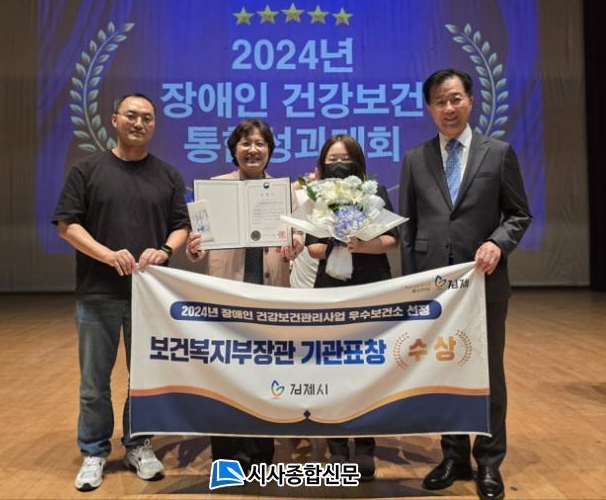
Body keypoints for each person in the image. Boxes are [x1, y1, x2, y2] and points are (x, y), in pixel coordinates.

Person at [399, 69, 532, 500]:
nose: (449, 108)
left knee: (488, 372)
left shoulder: (499, 154)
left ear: (471, 101)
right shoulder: (415, 159)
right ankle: (453, 456)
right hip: (435, 289)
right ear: (429, 108)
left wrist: (498, 243)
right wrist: (412, 289)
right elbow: (409, 229)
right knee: (443, 371)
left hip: (484, 285)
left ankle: (489, 461)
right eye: (440, 101)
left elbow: (519, 214)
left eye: (455, 98)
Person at [52, 93, 190, 491]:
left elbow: (180, 225)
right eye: (131, 115)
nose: (139, 123)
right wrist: (108, 255)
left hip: (150, 297)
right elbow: (67, 225)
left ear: (154, 125)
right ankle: (94, 451)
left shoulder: (167, 174)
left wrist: (164, 250)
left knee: (144, 378)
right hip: (98, 293)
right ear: (114, 120)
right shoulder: (87, 170)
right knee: (94, 382)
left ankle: (137, 445)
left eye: (147, 118)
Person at [186, 118, 302, 470]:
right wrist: (194, 248)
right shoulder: (214, 190)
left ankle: (261, 452)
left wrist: (295, 245)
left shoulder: (285, 192)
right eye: (245, 143)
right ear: (234, 149)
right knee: (226, 376)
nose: (253, 150)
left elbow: (296, 237)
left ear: (270, 150)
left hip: (270, 296)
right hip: (227, 296)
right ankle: (227, 456)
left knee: (264, 376)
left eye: (260, 143)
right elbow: (200, 244)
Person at [305, 134, 399, 481]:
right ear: (322, 164)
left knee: (367, 368)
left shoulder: (375, 193)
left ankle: (364, 446)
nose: (339, 164)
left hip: (370, 286)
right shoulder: (317, 197)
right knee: (330, 367)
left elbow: (392, 240)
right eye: (332, 159)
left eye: (345, 158)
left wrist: (361, 244)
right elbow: (312, 247)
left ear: (358, 161)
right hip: (330, 290)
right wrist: (336, 240)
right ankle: (336, 446)